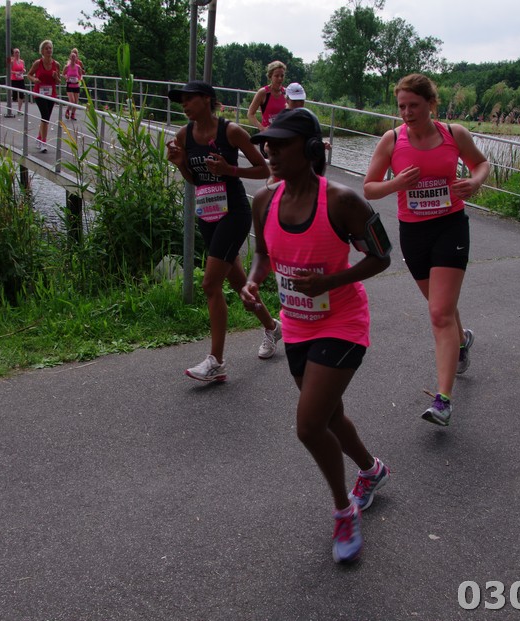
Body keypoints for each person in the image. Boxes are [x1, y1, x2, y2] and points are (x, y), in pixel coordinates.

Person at [241, 108, 392, 564]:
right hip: (297, 324)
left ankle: (344, 510)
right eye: (266, 144)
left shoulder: (342, 202)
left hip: (342, 322)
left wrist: (330, 281)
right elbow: (263, 255)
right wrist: (253, 280)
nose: (269, 152)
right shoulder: (263, 201)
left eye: (280, 144)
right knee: (330, 416)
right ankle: (371, 470)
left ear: (309, 149)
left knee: (309, 425)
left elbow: (381, 256)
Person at [363, 73, 490, 427]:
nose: (406, 113)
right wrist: (396, 183)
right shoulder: (392, 140)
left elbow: (481, 164)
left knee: (438, 313)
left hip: (450, 227)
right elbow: (369, 188)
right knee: (441, 307)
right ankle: (461, 341)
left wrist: (474, 182)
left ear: (431, 104)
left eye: (414, 106)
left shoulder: (454, 134)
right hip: (414, 233)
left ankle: (443, 400)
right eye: (401, 106)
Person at [164, 81, 283, 382]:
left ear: (207, 99)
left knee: (209, 284)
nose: (184, 105)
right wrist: (180, 164)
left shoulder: (230, 132)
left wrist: (230, 170)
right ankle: (271, 326)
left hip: (234, 213)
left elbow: (264, 169)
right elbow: (195, 180)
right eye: (181, 100)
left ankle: (216, 362)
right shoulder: (184, 135)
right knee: (238, 282)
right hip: (208, 213)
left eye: (189, 99)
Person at [27, 39, 61, 154]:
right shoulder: (38, 63)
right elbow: (29, 74)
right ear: (42, 51)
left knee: (45, 118)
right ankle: (44, 142)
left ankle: (39, 137)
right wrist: (34, 79)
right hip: (39, 93)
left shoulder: (56, 64)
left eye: (50, 48)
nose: (49, 50)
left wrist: (56, 77)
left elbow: (58, 82)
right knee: (45, 116)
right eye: (46, 48)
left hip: (51, 94)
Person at [246, 60, 286, 129]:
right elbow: (250, 114)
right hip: (268, 133)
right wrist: (262, 128)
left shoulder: (286, 92)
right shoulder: (263, 93)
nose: (280, 78)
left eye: (282, 76)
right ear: (270, 76)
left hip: (283, 132)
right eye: (276, 76)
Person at [63, 51, 83, 120]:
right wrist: (66, 78)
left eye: (74, 57)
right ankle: (67, 110)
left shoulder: (78, 67)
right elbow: (63, 74)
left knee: (76, 102)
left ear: (76, 58)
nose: (73, 58)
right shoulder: (67, 67)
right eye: (72, 57)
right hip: (69, 85)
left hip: (76, 85)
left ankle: (73, 114)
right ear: (70, 58)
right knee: (72, 100)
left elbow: (81, 75)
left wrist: (79, 80)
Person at [8, 48, 26, 116]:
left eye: (18, 52)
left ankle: (19, 110)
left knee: (21, 94)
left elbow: (23, 68)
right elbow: (9, 71)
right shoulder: (12, 61)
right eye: (16, 52)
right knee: (14, 96)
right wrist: (16, 73)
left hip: (21, 79)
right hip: (14, 79)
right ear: (13, 54)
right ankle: (9, 107)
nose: (17, 54)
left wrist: (24, 70)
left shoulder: (22, 61)